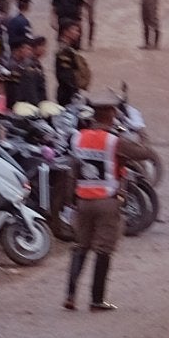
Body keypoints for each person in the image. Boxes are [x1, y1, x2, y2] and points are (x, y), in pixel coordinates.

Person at [63, 94, 128, 311]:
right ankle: (96, 299)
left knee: (80, 247)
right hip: (106, 202)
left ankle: (70, 295)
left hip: (83, 200)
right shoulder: (113, 140)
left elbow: (73, 170)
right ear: (110, 115)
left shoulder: (78, 138)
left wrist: (72, 198)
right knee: (103, 249)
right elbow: (142, 153)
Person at [53, 23, 89, 107]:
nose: (78, 33)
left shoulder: (69, 49)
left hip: (69, 92)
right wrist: (73, 91)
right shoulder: (64, 51)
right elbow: (65, 75)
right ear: (66, 32)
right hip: (67, 94)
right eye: (75, 30)